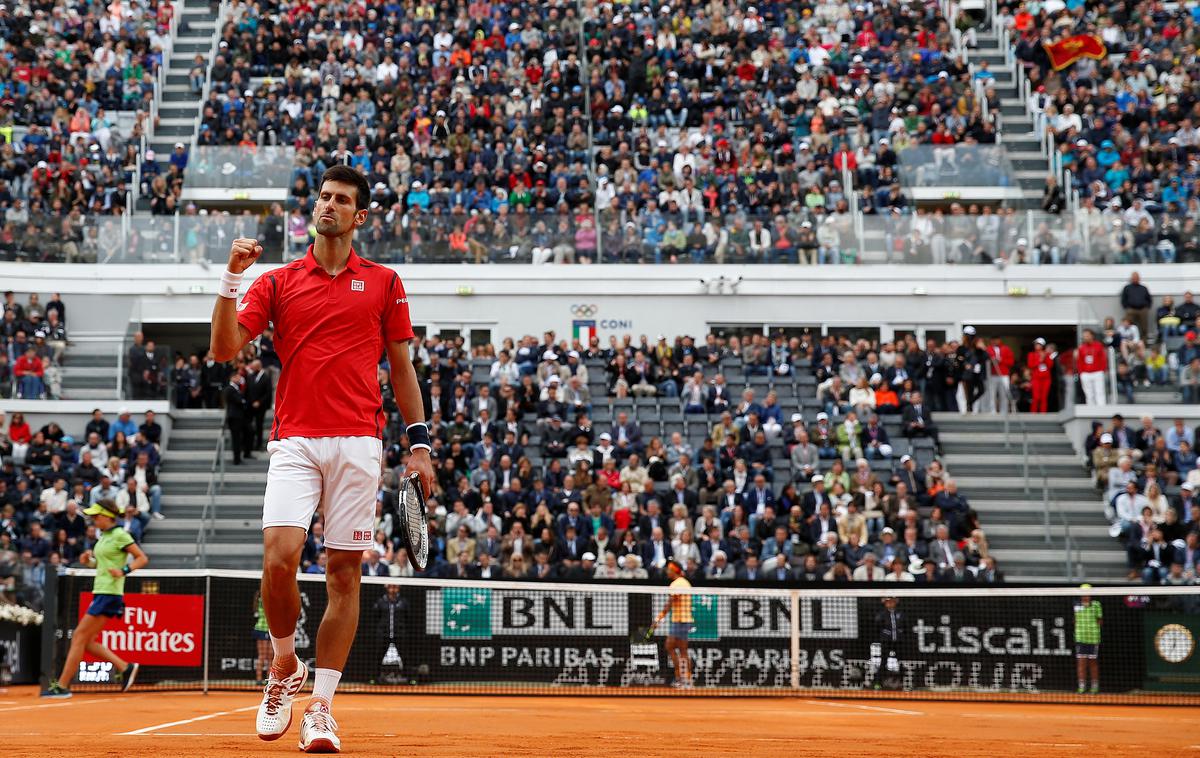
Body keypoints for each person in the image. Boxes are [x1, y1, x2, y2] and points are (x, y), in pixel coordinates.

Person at [210, 165, 434, 753]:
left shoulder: (384, 282)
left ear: (359, 216)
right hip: (295, 440)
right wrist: (233, 279)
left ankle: (323, 707)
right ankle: (285, 666)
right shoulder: (278, 281)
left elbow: (402, 369)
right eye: (323, 197)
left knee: (344, 575)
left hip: (360, 441)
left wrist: (419, 445)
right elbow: (224, 348)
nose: (327, 206)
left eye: (340, 200)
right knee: (279, 560)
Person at [42, 499, 149, 698]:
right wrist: (89, 561)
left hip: (109, 593)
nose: (93, 520)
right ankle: (124, 667)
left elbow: (142, 558)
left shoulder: (120, 535)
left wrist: (124, 570)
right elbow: (102, 565)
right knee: (87, 641)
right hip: (101, 592)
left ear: (107, 517)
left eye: (96, 517)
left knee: (79, 637)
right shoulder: (104, 536)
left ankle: (63, 686)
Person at [650, 560, 693, 688]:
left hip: (680, 620)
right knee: (680, 649)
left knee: (673, 647)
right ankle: (684, 678)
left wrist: (658, 619)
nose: (667, 572)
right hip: (683, 620)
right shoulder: (685, 582)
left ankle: (683, 678)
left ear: (674, 570)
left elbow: (670, 602)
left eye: (669, 570)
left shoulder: (677, 584)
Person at [1074, 584, 1102, 695]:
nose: (1085, 595)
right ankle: (1082, 687)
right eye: (1083, 593)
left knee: (1093, 663)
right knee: (1081, 663)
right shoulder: (1076, 605)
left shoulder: (1096, 605)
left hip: (1093, 638)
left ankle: (1094, 687)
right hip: (1080, 638)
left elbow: (1099, 621)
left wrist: (1093, 630)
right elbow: (1075, 620)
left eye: (1087, 593)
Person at [1027, 338, 1054, 413]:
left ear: (1042, 345)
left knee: (1044, 397)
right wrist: (1040, 360)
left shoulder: (1047, 354)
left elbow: (1050, 365)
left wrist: (1045, 357)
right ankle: (1033, 412)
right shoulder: (1031, 354)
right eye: (1036, 344)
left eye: (1038, 344)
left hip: (1046, 379)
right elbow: (1030, 365)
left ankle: (1043, 413)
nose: (1037, 346)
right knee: (1036, 397)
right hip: (1036, 378)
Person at [252, 590, 272, 685]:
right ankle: (259, 679)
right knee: (262, 656)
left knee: (270, 657)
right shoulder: (263, 601)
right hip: (261, 629)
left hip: (271, 630)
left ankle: (269, 679)